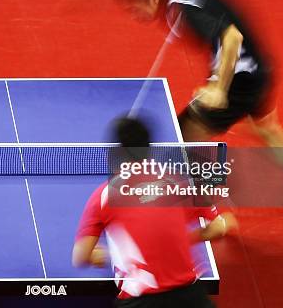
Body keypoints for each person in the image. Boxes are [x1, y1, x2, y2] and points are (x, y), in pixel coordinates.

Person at [109, 0, 283, 218]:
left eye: (136, 8)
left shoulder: (183, 9)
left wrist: (218, 88)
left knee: (186, 137)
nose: (137, 16)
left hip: (237, 78)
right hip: (260, 67)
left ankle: (209, 209)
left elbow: (231, 37)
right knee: (267, 129)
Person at [73, 116, 237, 308]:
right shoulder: (180, 182)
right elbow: (220, 226)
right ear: (149, 148)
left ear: (117, 151)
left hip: (140, 302)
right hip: (190, 298)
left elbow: (79, 257)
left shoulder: (105, 196)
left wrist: (96, 255)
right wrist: (180, 239)